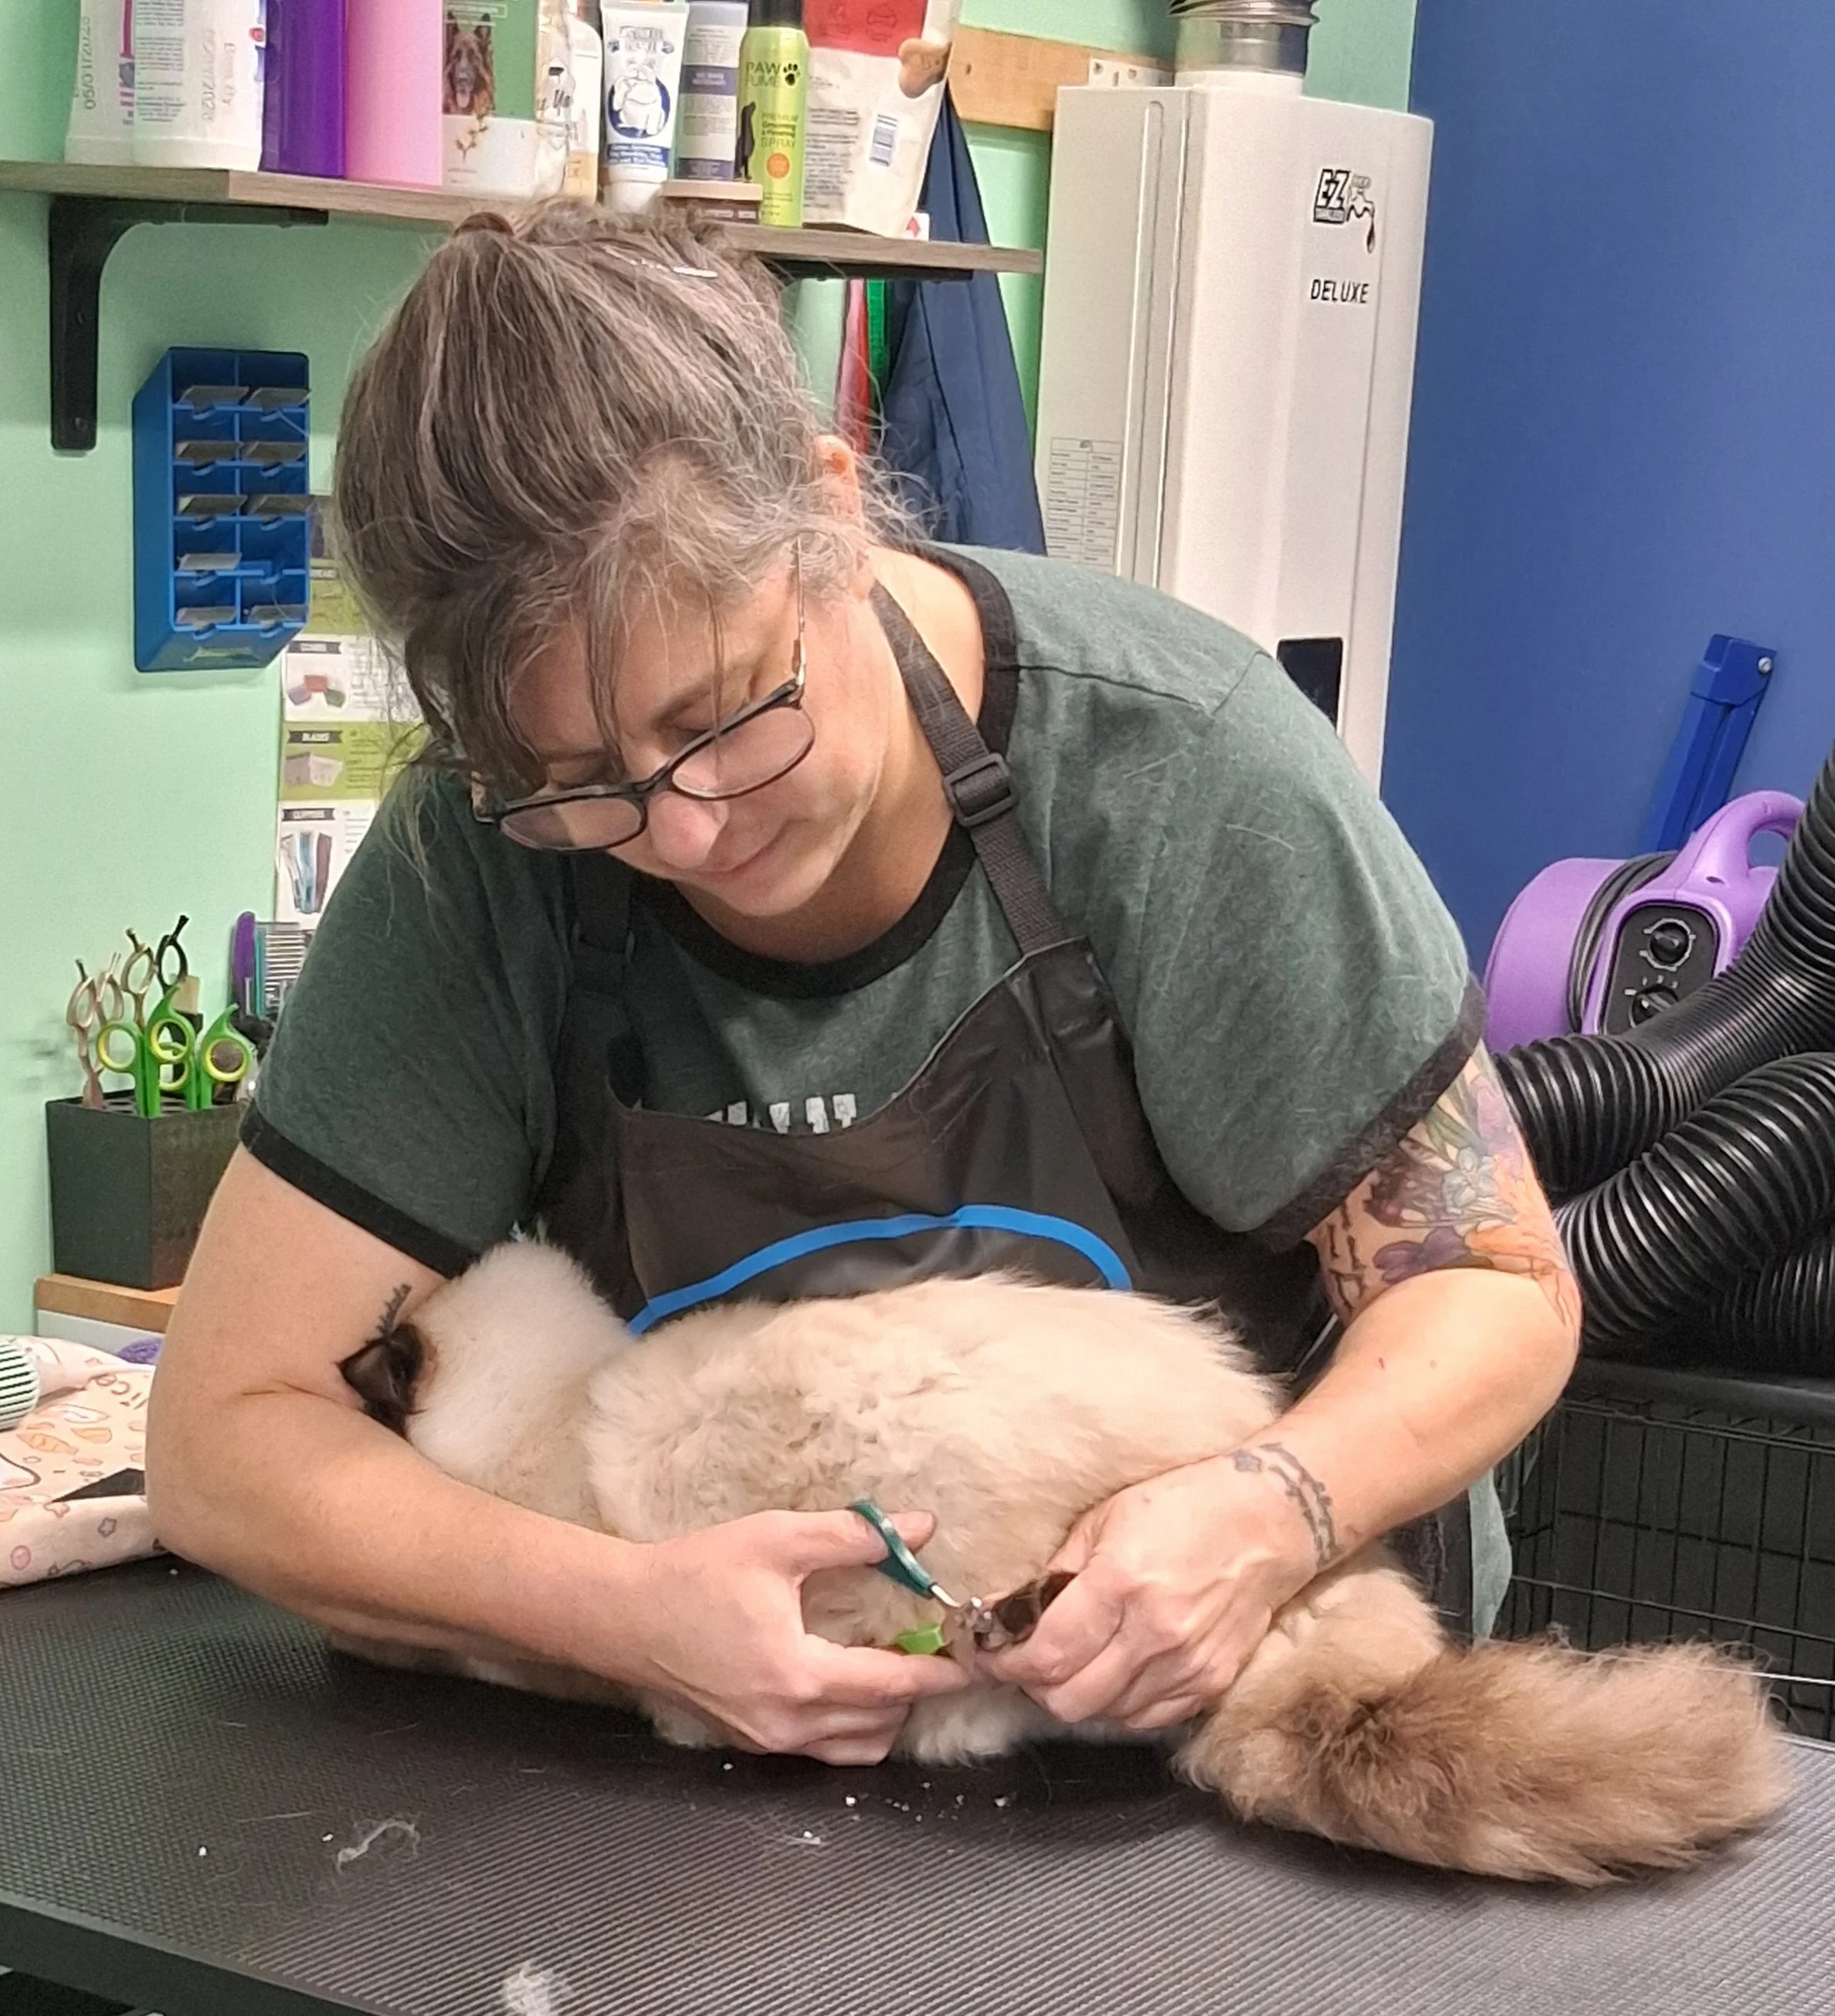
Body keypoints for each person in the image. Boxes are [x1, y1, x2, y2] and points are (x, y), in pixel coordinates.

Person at [146, 203, 1579, 1766]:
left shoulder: (1178, 770)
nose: (682, 829)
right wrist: (624, 1613)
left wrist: (1267, 1509)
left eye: (722, 716)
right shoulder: (477, 854)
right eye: (580, 783)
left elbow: (1491, 1288)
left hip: (1252, 1725)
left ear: (834, 522)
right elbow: (227, 1443)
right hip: (773, 1766)